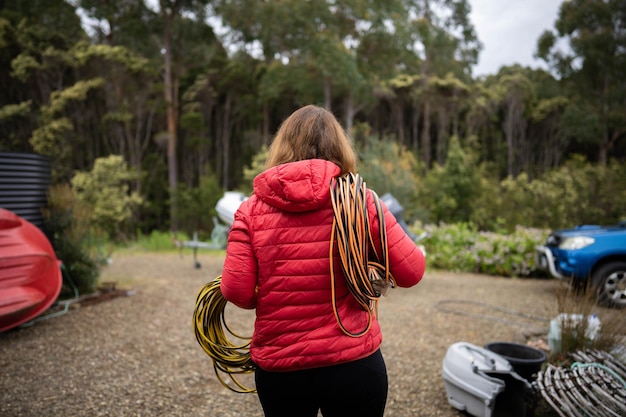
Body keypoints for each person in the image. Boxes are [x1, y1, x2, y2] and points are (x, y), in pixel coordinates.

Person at [220, 104, 425, 417]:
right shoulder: (362, 200)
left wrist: (276, 293)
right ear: (340, 146)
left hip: (281, 369)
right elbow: (412, 272)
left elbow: (236, 291)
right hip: (353, 364)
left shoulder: (250, 210)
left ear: (281, 146)